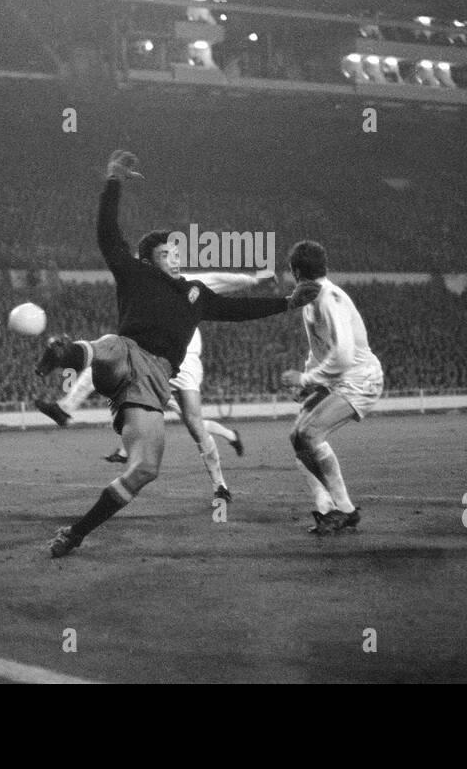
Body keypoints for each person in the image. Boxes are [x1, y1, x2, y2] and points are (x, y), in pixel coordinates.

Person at [36, 150, 319, 557]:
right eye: (166, 253)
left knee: (146, 469)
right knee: (112, 345)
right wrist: (113, 180)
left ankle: (76, 533)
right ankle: (64, 353)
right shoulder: (136, 274)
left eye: (176, 252)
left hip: (154, 381)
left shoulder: (197, 294)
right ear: (149, 258)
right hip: (126, 355)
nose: (175, 257)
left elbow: (238, 310)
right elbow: (107, 235)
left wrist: (287, 304)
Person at [36, 271, 263, 503]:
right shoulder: (143, 284)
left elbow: (223, 280)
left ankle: (220, 483)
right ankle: (65, 408)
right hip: (148, 359)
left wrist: (255, 280)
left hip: (184, 363)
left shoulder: (185, 283)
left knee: (194, 424)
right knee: (107, 356)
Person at [279, 240, 384, 534]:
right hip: (338, 378)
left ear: (296, 271)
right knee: (297, 437)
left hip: (359, 380)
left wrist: (306, 380)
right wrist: (308, 378)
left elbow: (343, 355)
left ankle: (344, 510)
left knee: (309, 433)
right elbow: (319, 351)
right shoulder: (311, 300)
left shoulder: (329, 299)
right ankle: (327, 508)